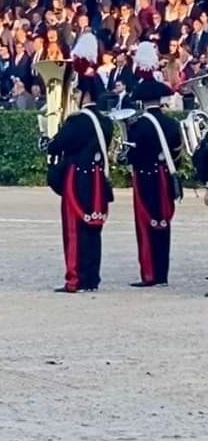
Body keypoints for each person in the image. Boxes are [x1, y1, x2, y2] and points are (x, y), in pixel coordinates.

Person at [47, 33, 113, 293]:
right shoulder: (105, 122)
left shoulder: (77, 121)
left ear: (84, 93)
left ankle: (75, 278)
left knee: (74, 230)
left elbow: (57, 145)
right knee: (93, 232)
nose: (74, 94)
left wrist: (51, 136)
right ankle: (91, 278)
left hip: (77, 178)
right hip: (97, 178)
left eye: (76, 91)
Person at [125, 42, 182, 287]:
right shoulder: (171, 124)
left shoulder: (138, 126)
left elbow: (133, 158)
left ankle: (149, 273)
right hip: (165, 177)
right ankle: (163, 273)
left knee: (146, 226)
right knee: (163, 226)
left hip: (146, 178)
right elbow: (177, 154)